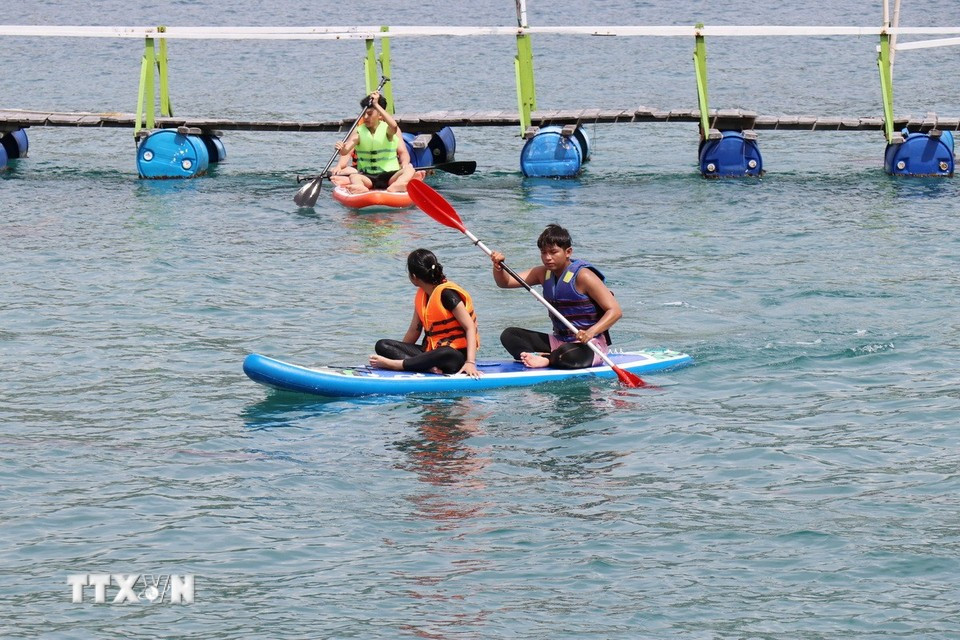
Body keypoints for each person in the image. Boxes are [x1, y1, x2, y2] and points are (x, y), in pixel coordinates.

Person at [489, 224, 622, 370]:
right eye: (543, 253)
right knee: (510, 335)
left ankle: (547, 359)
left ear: (568, 252)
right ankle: (532, 357)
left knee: (566, 355)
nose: (547, 258)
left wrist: (591, 332)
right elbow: (505, 282)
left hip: (589, 345)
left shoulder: (584, 276)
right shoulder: (542, 273)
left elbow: (615, 311)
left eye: (553, 252)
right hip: (559, 341)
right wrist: (498, 267)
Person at [370, 249, 481, 377]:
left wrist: (470, 362)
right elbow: (414, 331)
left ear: (414, 277)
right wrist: (399, 350)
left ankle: (397, 365)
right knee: (383, 345)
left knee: (444, 352)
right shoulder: (423, 295)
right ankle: (426, 367)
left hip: (454, 356)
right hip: (429, 353)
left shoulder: (447, 294)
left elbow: (470, 327)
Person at [334, 91, 415, 194]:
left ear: (380, 115)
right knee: (354, 176)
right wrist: (341, 148)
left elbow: (394, 126)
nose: (366, 117)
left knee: (409, 170)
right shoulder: (359, 132)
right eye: (364, 114)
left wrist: (404, 164)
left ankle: (397, 185)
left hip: (390, 175)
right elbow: (345, 151)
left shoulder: (388, 130)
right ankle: (359, 187)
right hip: (368, 177)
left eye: (370, 114)